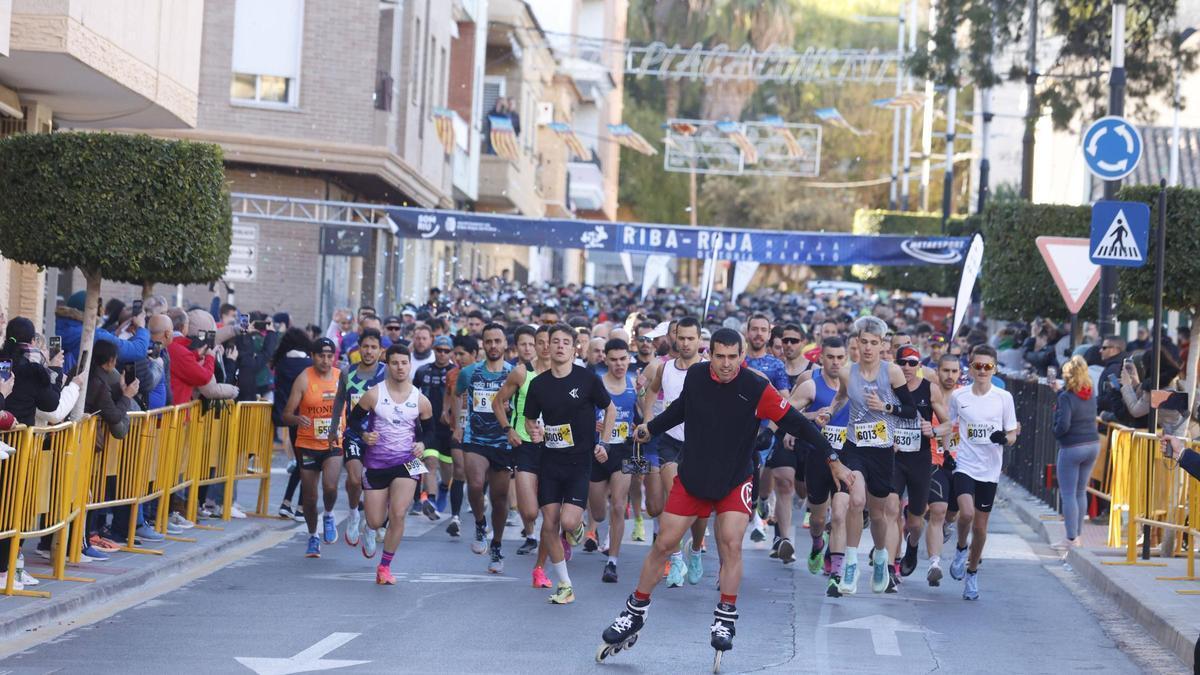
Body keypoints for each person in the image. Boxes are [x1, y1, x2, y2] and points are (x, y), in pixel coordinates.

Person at [597, 328, 852, 663]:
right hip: (694, 476)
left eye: (734, 357)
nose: (727, 364)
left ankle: (724, 618)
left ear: (741, 356)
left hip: (734, 479)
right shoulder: (697, 375)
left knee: (730, 542)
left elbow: (798, 425)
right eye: (720, 357)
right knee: (664, 543)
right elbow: (681, 410)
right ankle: (636, 610)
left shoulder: (757, 388)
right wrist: (652, 427)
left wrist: (832, 458)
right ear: (710, 354)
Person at [523, 323, 615, 604]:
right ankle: (565, 584)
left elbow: (608, 408)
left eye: (566, 341)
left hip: (579, 460)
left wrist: (605, 442)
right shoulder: (538, 384)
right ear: (547, 347)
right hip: (550, 460)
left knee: (568, 520)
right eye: (555, 341)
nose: (560, 346)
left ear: (575, 347)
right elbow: (529, 419)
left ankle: (575, 527)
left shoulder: (586, 379)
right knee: (549, 523)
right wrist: (534, 431)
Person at [830, 316, 918, 595]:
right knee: (855, 500)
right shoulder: (847, 373)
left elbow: (910, 410)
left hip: (882, 450)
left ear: (883, 346)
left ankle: (881, 555)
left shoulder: (892, 372)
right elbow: (841, 397)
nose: (868, 348)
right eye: (864, 342)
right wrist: (829, 413)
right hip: (854, 446)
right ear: (856, 343)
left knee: (878, 514)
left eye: (874, 343)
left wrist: (885, 407)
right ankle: (851, 565)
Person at [348, 343, 433, 584]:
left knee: (398, 513)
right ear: (389, 365)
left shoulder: (420, 399)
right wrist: (364, 435)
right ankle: (369, 526)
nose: (400, 367)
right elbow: (353, 420)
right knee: (376, 520)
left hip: (408, 463)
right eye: (394, 363)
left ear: (409, 365)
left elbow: (430, 430)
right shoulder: (374, 393)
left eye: (404, 363)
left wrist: (423, 444)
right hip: (376, 464)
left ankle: (384, 566)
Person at [947, 345, 1018, 600]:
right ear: (970, 367)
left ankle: (972, 572)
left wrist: (1004, 438)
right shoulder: (959, 396)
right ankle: (959, 549)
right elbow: (949, 424)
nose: (982, 371)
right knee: (965, 513)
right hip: (965, 464)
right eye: (978, 366)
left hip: (990, 470)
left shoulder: (1003, 398)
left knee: (981, 526)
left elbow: (1012, 433)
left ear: (995, 368)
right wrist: (934, 434)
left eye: (988, 367)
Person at [640, 317, 706, 587]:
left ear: (700, 340)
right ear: (674, 339)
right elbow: (651, 393)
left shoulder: (708, 369)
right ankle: (676, 556)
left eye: (692, 338)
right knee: (674, 499)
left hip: (701, 444)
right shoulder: (664, 369)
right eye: (682, 338)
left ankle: (697, 549)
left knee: (700, 508)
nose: (686, 343)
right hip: (670, 441)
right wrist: (647, 421)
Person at [782, 337, 850, 585]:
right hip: (817, 457)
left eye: (840, 357)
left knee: (840, 513)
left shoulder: (855, 385)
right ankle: (817, 543)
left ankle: (836, 567)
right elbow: (786, 412)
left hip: (846, 458)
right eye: (830, 357)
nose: (835, 362)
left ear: (846, 359)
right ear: (821, 358)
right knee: (819, 519)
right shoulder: (812, 385)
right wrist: (810, 417)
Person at [326, 328, 392, 553]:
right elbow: (338, 403)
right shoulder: (347, 372)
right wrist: (334, 428)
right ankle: (354, 513)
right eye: (365, 347)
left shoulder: (387, 373)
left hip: (379, 438)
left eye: (374, 347)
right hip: (354, 434)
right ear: (358, 349)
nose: (369, 351)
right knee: (355, 480)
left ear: (381, 351)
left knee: (375, 485)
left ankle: (371, 528)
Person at [454, 323, 514, 572]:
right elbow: (457, 395)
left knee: (500, 499)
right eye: (488, 341)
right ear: (482, 345)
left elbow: (523, 405)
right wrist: (459, 424)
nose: (493, 346)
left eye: (497, 341)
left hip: (502, 442)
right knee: (476, 484)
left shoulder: (514, 374)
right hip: (475, 438)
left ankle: (497, 546)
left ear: (504, 345)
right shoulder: (470, 372)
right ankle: (480, 524)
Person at [490, 325, 545, 580]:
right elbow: (498, 402)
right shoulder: (521, 373)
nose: (541, 347)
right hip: (525, 443)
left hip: (554, 445)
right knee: (530, 509)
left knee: (554, 505)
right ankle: (531, 532)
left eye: (544, 342)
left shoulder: (564, 374)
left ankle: (558, 536)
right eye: (538, 343)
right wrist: (508, 429)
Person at [282, 337, 344, 558]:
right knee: (309, 497)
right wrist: (298, 420)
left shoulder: (341, 377)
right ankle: (312, 536)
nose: (326, 361)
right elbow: (286, 414)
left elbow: (356, 406)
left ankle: (328, 514)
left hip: (333, 443)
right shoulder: (303, 379)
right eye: (321, 356)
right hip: (307, 444)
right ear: (313, 356)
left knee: (330, 487)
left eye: (330, 356)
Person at [588, 338, 640, 584]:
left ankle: (612, 562)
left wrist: (639, 427)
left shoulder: (634, 385)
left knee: (619, 504)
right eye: (614, 359)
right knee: (598, 513)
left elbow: (644, 416)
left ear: (629, 358)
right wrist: (592, 424)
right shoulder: (596, 384)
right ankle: (593, 529)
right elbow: (581, 413)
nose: (619, 364)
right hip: (598, 452)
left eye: (623, 359)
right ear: (605, 360)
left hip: (625, 451)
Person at [1049, 356, 1099, 551]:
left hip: (1072, 447)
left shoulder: (1065, 397)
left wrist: (1054, 430)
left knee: (1068, 494)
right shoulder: (1090, 392)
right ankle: (1077, 536)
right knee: (1080, 491)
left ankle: (1070, 538)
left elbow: (1064, 424)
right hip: (1092, 444)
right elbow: (1076, 400)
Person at [926, 353, 962, 585]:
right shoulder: (929, 396)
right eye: (945, 370)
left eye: (954, 371)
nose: (950, 375)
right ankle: (934, 564)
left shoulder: (965, 397)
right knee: (938, 510)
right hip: (933, 460)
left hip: (961, 463)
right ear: (937, 371)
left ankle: (944, 527)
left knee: (952, 514)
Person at [272, 328, 313, 521]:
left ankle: (287, 503)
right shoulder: (309, 365)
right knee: (309, 463)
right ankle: (300, 507)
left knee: (302, 462)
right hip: (308, 418)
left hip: (289, 418)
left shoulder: (281, 363)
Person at [413, 335, 457, 517]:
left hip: (449, 428)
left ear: (451, 352)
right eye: (439, 350)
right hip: (428, 427)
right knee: (430, 462)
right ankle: (429, 499)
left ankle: (444, 488)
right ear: (434, 351)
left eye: (446, 351)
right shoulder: (423, 371)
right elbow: (412, 393)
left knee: (448, 469)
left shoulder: (456, 372)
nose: (442, 354)